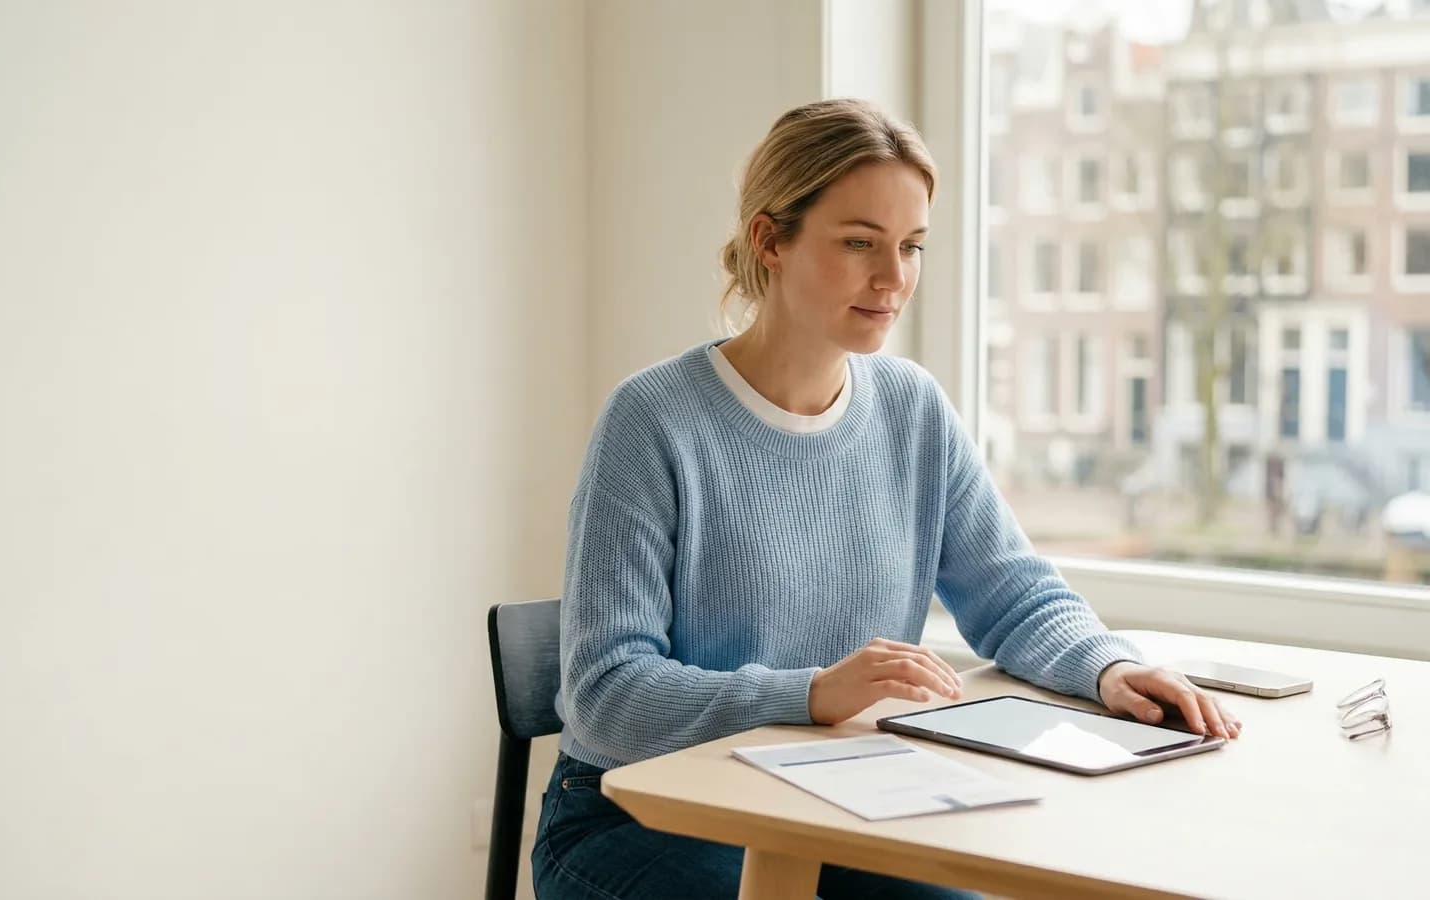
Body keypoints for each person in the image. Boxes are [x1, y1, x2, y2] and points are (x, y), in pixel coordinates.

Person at [532, 98, 1241, 900]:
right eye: (859, 242)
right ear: (770, 240)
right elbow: (606, 692)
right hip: (637, 816)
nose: (894, 278)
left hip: (838, 796)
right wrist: (809, 694)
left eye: (911, 246)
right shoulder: (653, 420)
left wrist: (1108, 666)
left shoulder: (911, 408)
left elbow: (1013, 594)